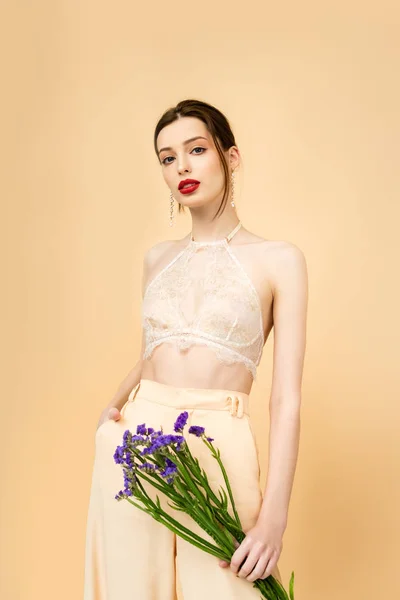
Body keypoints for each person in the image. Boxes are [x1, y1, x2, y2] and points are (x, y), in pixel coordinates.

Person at [83, 99, 308, 599]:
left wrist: (274, 518)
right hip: (137, 449)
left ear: (231, 157)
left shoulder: (280, 260)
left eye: (196, 149)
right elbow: (153, 354)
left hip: (218, 447)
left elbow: (285, 400)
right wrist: (112, 410)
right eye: (167, 158)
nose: (181, 166)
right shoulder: (156, 259)